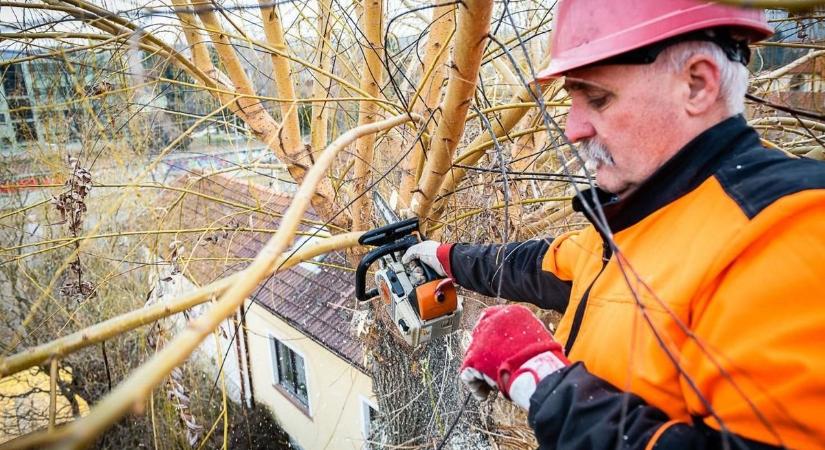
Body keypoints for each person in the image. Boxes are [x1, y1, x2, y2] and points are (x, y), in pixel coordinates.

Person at [402, 1, 825, 448]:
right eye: (571, 102)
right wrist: (441, 256)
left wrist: (544, 383)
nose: (573, 129)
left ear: (697, 85)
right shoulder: (635, 217)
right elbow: (534, 266)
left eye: (598, 99)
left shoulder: (788, 226)